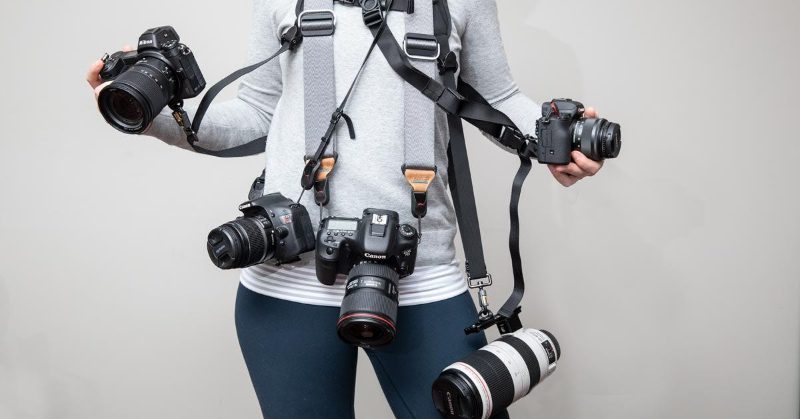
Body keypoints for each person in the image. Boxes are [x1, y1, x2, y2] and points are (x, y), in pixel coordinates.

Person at [86, 0, 603, 417]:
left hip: (420, 277)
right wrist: (150, 113)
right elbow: (254, 112)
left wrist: (556, 139)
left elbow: (501, 96)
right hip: (289, 278)